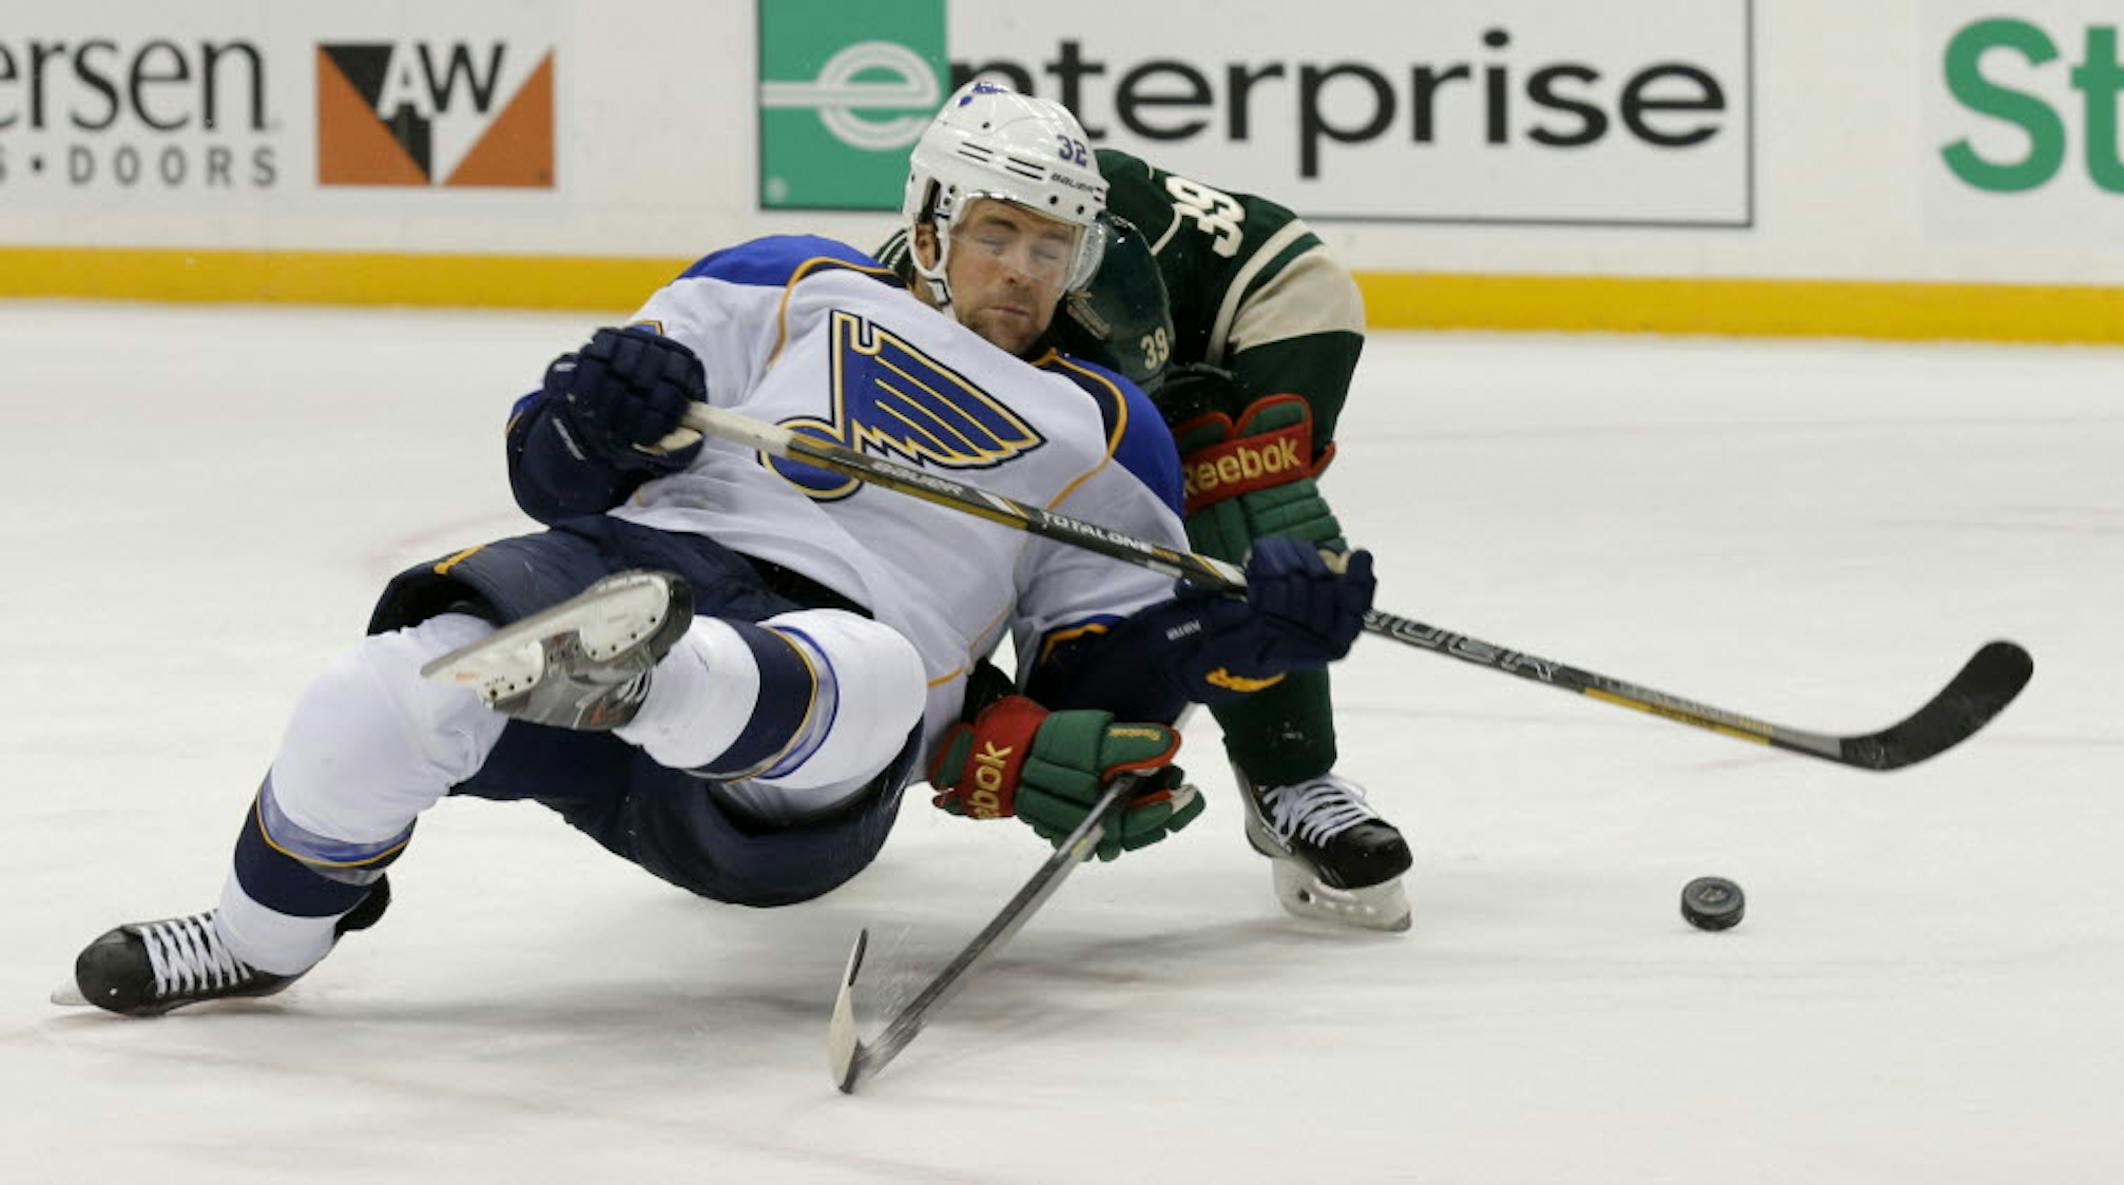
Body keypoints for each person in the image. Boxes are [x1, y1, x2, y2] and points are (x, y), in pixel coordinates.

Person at [58, 84, 1376, 1018]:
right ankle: (254, 938)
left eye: (1049, 244)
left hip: (788, 774)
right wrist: (595, 406)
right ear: (928, 224)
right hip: (633, 568)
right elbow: (551, 463)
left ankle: (638, 674)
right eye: (995, 232)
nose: (1022, 270)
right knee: (370, 700)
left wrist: (1230, 644)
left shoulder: (1107, 430)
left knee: (862, 664)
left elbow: (1102, 676)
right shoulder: (791, 282)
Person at [877, 138, 1409, 930]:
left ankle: (1292, 777)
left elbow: (1149, 425)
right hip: (1098, 341)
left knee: (1224, 507)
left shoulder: (1100, 280)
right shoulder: (892, 306)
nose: (1013, 263)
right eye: (993, 238)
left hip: (1264, 301)